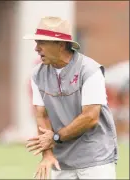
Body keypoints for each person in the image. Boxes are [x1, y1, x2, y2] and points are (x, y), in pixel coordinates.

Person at [23, 16, 118, 179]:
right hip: (61, 161)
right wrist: (47, 154)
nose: (36, 48)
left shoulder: (89, 70)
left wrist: (55, 137)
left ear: (60, 44)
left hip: (96, 158)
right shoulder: (37, 74)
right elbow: (41, 115)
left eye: (42, 42)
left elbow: (90, 117)